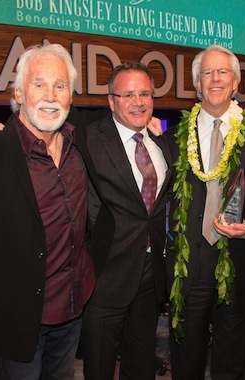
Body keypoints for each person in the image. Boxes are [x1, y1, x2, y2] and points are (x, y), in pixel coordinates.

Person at [0, 43, 96, 379]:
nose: (50, 96)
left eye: (60, 86)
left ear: (71, 97)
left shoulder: (81, 141)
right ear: (18, 92)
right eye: (38, 84)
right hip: (18, 319)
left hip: (73, 308)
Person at [164, 44, 245, 380]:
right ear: (197, 84)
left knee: (232, 355)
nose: (215, 79)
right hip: (190, 263)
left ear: (236, 82)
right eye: (207, 73)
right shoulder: (175, 134)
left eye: (222, 72)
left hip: (236, 257)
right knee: (186, 354)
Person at [79, 63, 172, 380]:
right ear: (111, 100)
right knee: (99, 369)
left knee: (141, 366)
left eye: (145, 93)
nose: (139, 101)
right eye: (128, 94)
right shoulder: (89, 138)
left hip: (149, 278)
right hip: (105, 277)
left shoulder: (162, 143)